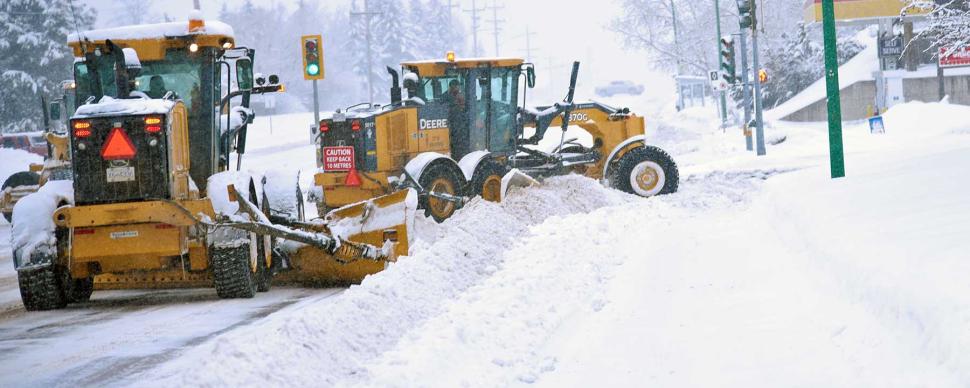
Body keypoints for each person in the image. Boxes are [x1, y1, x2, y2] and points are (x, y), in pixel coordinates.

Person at [441, 79, 470, 159]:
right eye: (456, 87)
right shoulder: (447, 97)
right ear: (451, 87)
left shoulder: (458, 96)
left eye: (458, 87)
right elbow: (448, 109)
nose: (457, 89)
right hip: (454, 125)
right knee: (458, 144)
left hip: (457, 124)